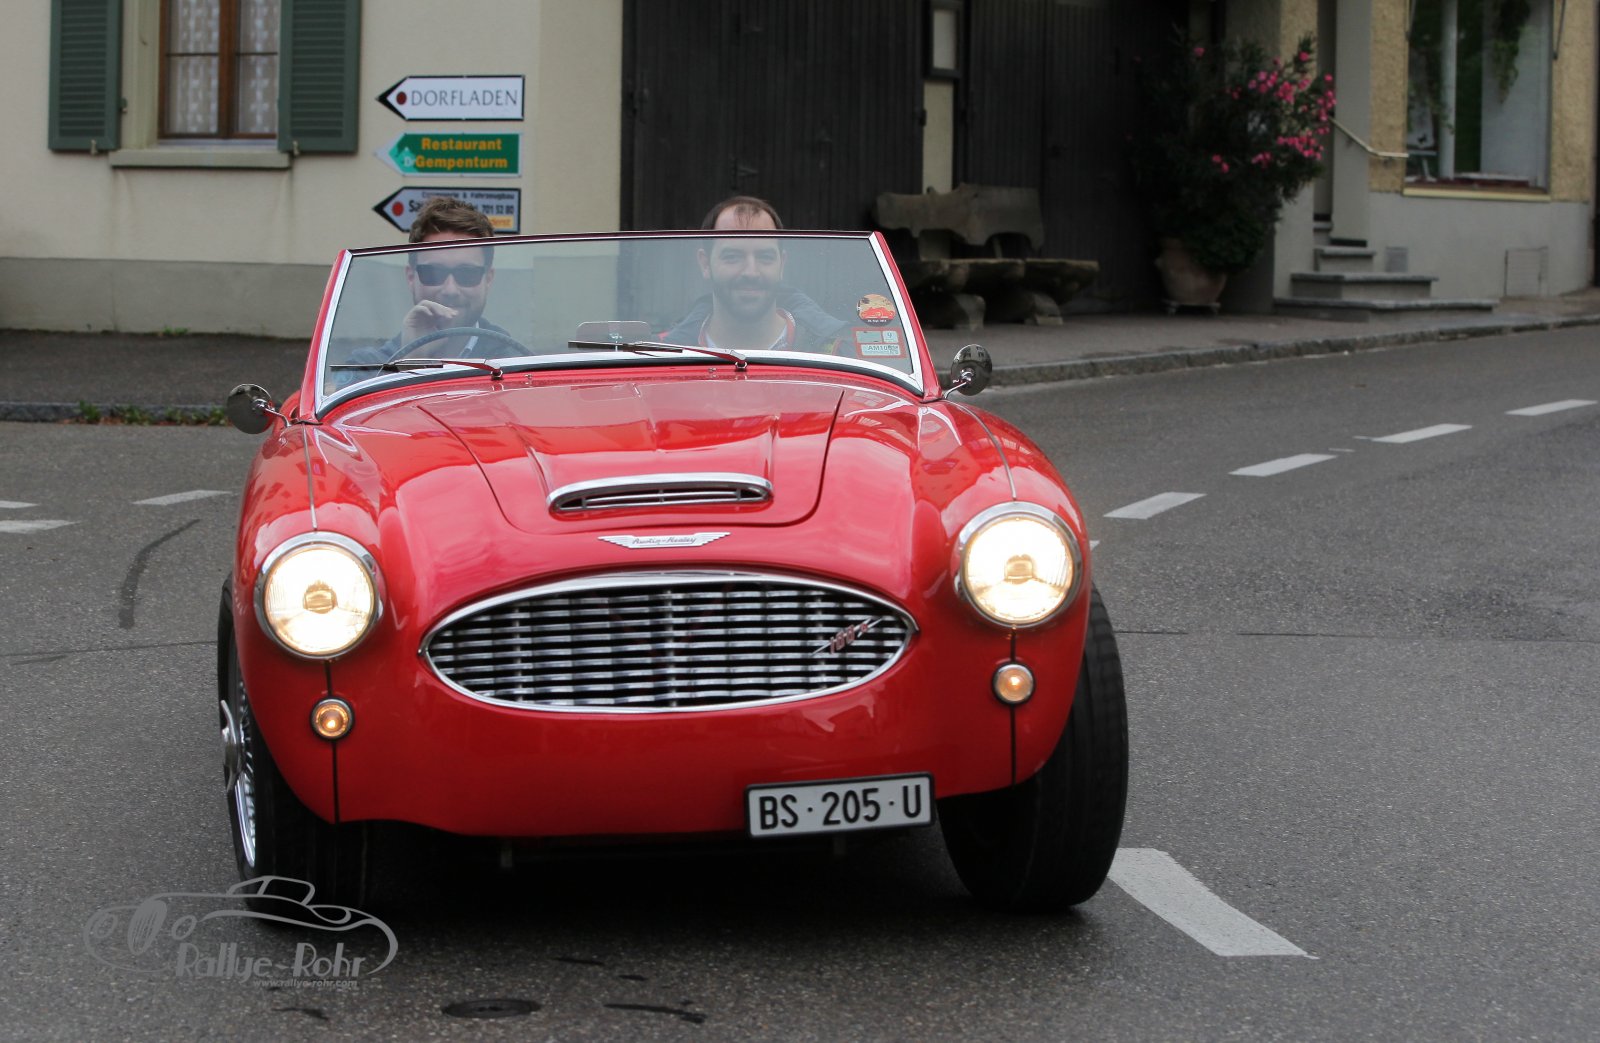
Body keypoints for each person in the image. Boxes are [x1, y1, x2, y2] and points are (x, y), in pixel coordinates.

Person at [660, 195, 848, 352]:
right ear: (705, 264)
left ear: (781, 264)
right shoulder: (663, 353)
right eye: (732, 257)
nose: (751, 272)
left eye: (765, 257)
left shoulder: (838, 351)